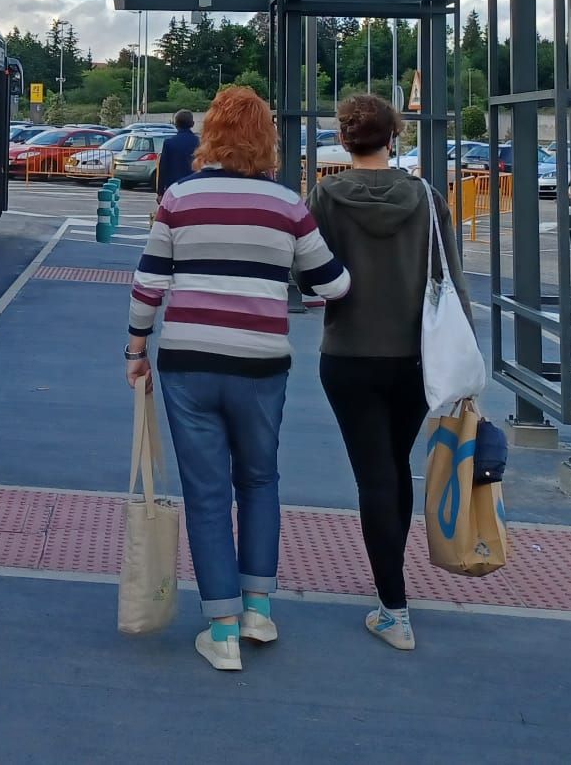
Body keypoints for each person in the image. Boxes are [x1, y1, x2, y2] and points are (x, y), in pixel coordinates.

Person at [125, 86, 351, 672]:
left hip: (189, 364)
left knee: (206, 494)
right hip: (261, 365)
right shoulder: (288, 206)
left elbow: (149, 283)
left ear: (211, 135)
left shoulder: (179, 198)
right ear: (265, 138)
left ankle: (221, 631)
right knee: (259, 480)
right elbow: (332, 284)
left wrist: (136, 346)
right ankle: (257, 609)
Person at [309, 93, 471, 654]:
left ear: (345, 138)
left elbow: (309, 275)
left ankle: (393, 604)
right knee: (396, 467)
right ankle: (391, 589)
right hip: (415, 357)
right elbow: (449, 275)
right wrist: (464, 356)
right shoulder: (425, 197)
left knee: (373, 474)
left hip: (349, 353)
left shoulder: (326, 196)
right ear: (393, 136)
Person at [154, 109, 198, 195]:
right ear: (192, 124)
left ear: (175, 124)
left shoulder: (169, 143)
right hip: (193, 187)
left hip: (173, 188)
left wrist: (160, 192)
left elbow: (163, 168)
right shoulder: (199, 142)